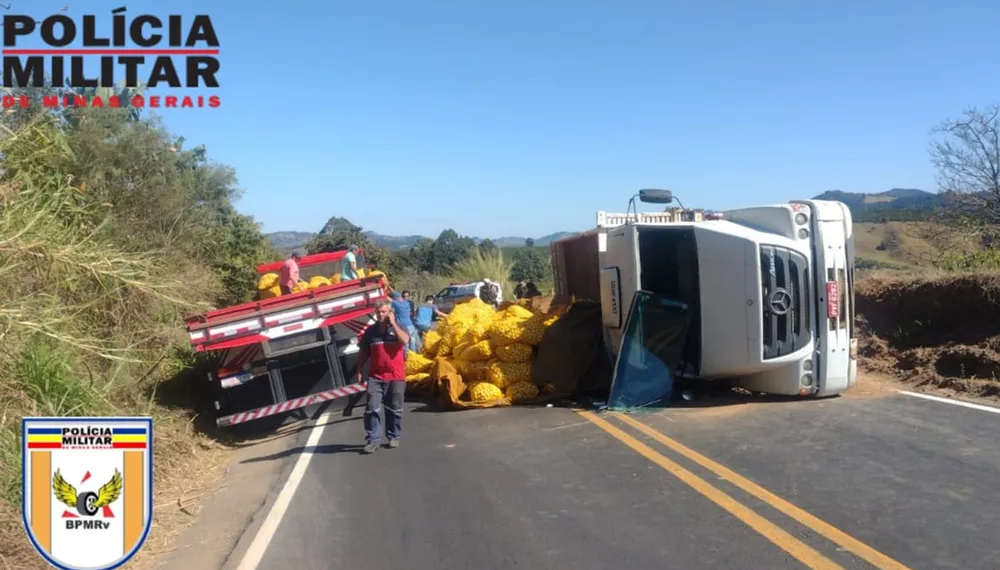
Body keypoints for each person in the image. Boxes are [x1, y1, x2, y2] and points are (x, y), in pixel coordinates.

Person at [356, 299, 410, 453]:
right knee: (372, 408)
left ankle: (393, 436)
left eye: (384, 312)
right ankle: (373, 440)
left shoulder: (400, 327)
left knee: (395, 409)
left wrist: (393, 324)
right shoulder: (371, 332)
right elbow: (364, 352)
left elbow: (405, 340)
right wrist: (359, 369)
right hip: (376, 376)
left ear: (390, 312)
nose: (381, 315)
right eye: (378, 312)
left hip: (396, 376)